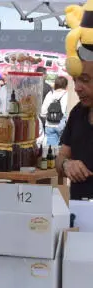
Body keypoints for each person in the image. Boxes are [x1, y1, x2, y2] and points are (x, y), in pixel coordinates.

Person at [58, 48, 93, 200]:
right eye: (75, 80)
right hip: (78, 209)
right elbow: (61, 157)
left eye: (85, 80)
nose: (77, 88)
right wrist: (66, 164)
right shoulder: (77, 113)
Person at [42, 76, 69, 148]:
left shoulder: (50, 94)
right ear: (66, 85)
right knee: (62, 149)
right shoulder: (67, 95)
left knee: (51, 150)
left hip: (49, 124)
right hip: (62, 124)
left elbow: (43, 112)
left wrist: (50, 117)